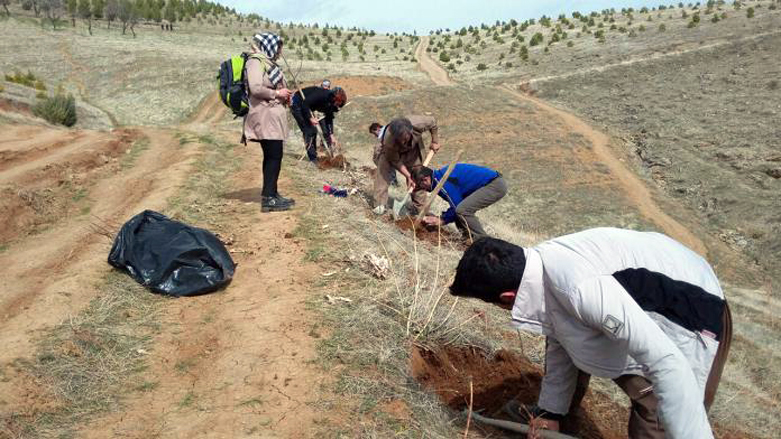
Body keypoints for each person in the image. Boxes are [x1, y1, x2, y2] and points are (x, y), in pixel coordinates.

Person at [450, 228, 732, 439]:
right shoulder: (540, 272)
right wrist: (551, 412)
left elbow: (668, 363)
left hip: (692, 309)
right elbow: (561, 337)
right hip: (642, 289)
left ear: (507, 296)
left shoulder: (580, 289)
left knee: (657, 411)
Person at [244, 32, 294, 212]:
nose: (280, 51)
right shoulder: (255, 61)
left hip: (271, 117)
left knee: (273, 155)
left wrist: (285, 96)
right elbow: (256, 88)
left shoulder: (268, 63)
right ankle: (269, 199)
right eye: (279, 47)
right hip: (265, 116)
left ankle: (272, 193)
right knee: (274, 156)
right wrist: (277, 94)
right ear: (270, 46)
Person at [411, 164, 506, 242]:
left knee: (462, 210)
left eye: (420, 185)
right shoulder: (438, 177)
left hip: (494, 185)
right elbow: (455, 205)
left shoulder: (442, 181)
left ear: (426, 179)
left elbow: (457, 206)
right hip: (493, 182)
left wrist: (442, 219)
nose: (422, 188)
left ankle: (483, 242)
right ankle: (468, 238)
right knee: (459, 209)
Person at [371, 116, 440, 215]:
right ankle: (379, 205)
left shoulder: (418, 123)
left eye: (404, 138)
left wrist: (435, 141)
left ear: (410, 131)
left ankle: (421, 211)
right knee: (383, 172)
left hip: (413, 149)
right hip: (391, 154)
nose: (402, 142)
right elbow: (395, 161)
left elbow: (433, 123)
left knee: (419, 175)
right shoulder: (389, 140)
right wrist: (408, 176)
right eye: (400, 139)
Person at [290, 85, 347, 163]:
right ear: (335, 98)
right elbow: (305, 103)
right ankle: (313, 159)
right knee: (309, 131)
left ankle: (314, 156)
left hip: (306, 107)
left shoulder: (331, 104)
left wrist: (331, 135)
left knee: (313, 130)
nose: (338, 106)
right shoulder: (322, 95)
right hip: (298, 103)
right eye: (338, 103)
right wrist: (310, 118)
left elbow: (329, 118)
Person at [369, 122, 398, 187]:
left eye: (374, 133)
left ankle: (393, 183)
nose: (375, 136)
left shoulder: (384, 134)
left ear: (377, 129)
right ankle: (394, 183)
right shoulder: (388, 130)